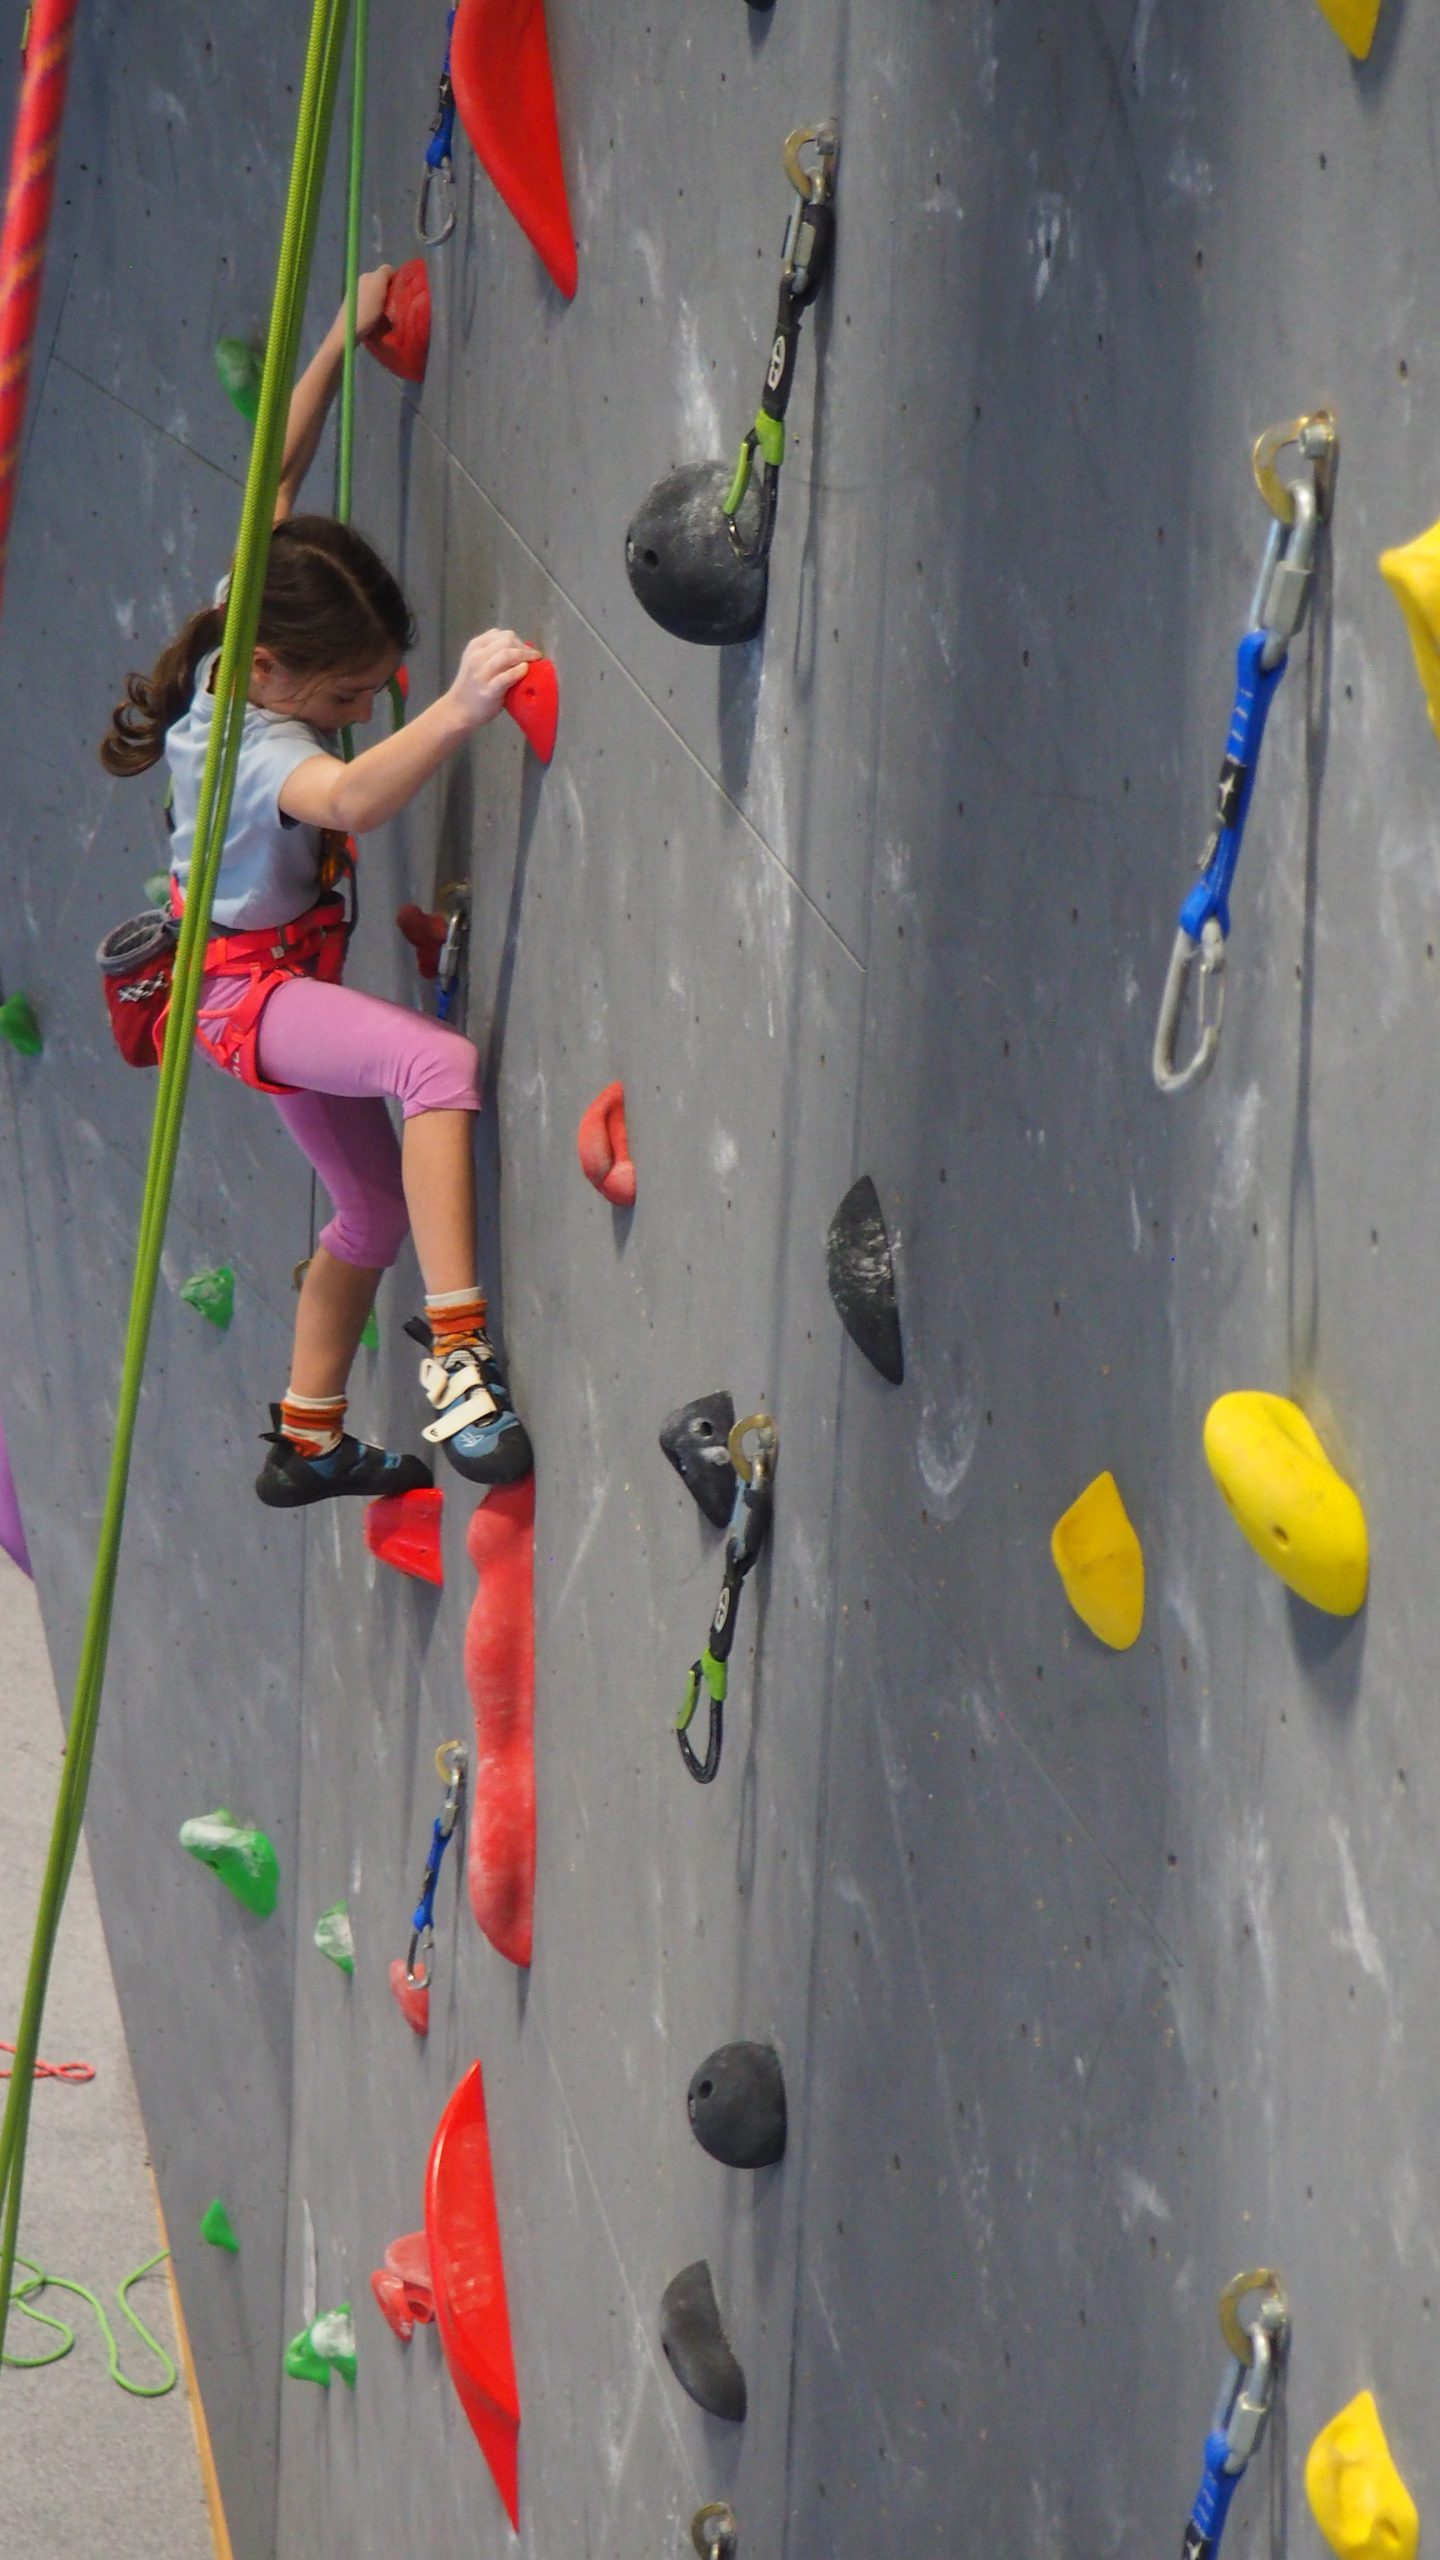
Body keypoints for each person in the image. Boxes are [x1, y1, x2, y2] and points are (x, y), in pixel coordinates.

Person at [100, 267, 538, 1506]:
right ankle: (460, 1364)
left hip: (253, 975)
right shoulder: (264, 755)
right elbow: (350, 799)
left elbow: (272, 481)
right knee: (436, 1068)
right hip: (250, 994)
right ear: (277, 674)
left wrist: (344, 333)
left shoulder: (245, 630)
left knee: (370, 1209)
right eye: (350, 694)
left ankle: (306, 1437)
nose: (361, 708)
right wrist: (457, 707)